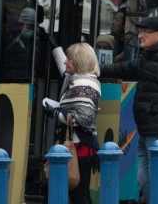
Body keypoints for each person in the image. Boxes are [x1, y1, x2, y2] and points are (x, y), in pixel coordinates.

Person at [101, 16, 158, 201]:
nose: (140, 35)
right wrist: (97, 70)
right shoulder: (150, 55)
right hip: (147, 130)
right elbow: (127, 68)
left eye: (146, 32)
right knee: (147, 180)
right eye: (140, 31)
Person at [41, 43, 101, 204]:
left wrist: (56, 112)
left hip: (79, 146)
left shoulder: (85, 85)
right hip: (76, 145)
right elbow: (64, 69)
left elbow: (83, 119)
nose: (65, 62)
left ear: (78, 62)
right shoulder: (77, 79)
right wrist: (54, 46)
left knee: (77, 194)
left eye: (69, 59)